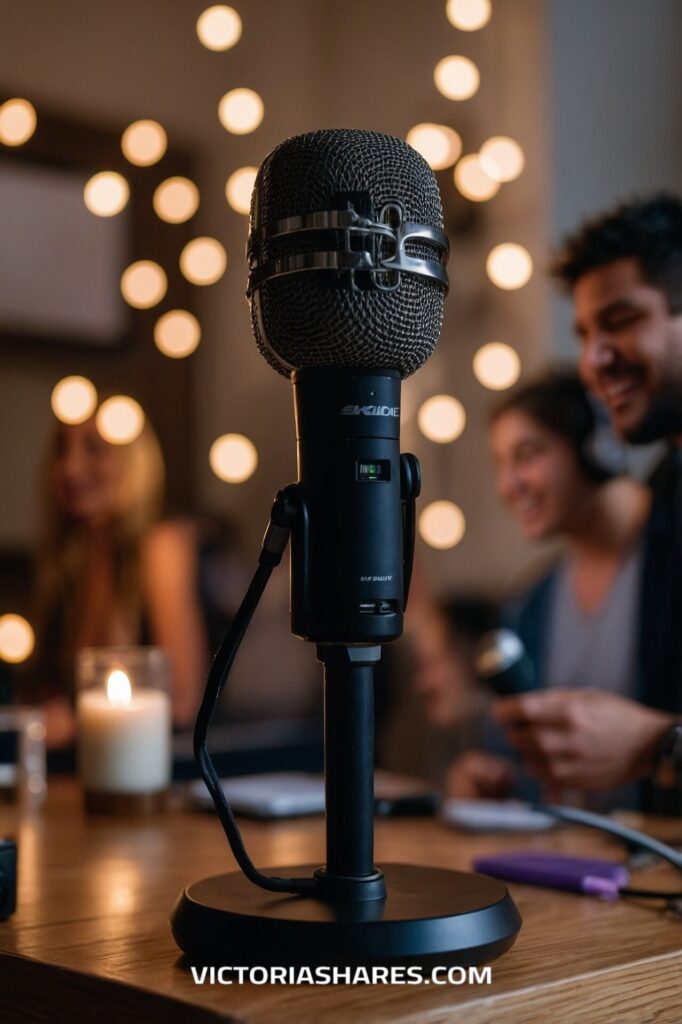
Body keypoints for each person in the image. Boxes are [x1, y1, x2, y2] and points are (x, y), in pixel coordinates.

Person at [494, 195, 682, 799]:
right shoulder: (669, 490)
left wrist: (653, 744)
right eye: (584, 334)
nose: (593, 361)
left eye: (621, 321)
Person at [450, 372, 654, 805]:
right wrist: (497, 778)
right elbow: (528, 759)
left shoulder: (668, 557)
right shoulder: (529, 605)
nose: (508, 485)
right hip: (579, 854)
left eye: (528, 455)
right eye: (500, 464)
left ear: (597, 448)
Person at [28, 413, 209, 749]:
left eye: (94, 448)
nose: (71, 468)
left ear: (133, 458)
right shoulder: (68, 564)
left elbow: (184, 703)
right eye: (61, 450)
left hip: (161, 775)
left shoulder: (162, 547)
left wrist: (74, 724)